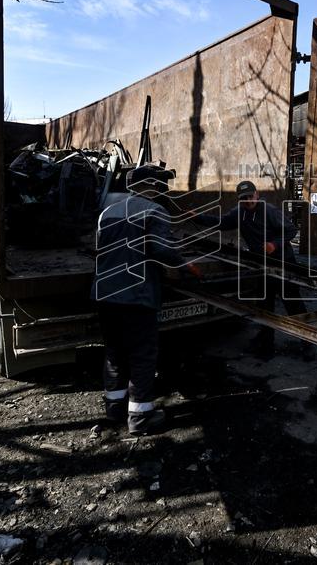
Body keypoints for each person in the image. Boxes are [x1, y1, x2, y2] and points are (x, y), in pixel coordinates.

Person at [94, 165, 201, 435]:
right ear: (151, 186)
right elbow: (163, 250)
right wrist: (185, 265)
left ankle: (114, 407)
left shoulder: (107, 212)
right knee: (142, 355)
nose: (164, 190)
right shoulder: (154, 211)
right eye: (161, 184)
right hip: (136, 296)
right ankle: (140, 418)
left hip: (105, 294)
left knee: (114, 353)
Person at [197, 180, 310, 357]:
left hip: (283, 265)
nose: (248, 201)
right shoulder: (239, 213)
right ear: (239, 200)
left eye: (250, 196)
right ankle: (266, 344)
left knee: (293, 306)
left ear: (257, 194)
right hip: (261, 267)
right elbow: (221, 222)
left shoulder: (269, 211)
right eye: (244, 198)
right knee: (265, 307)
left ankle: (308, 344)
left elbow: (291, 230)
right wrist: (196, 217)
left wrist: (275, 244)